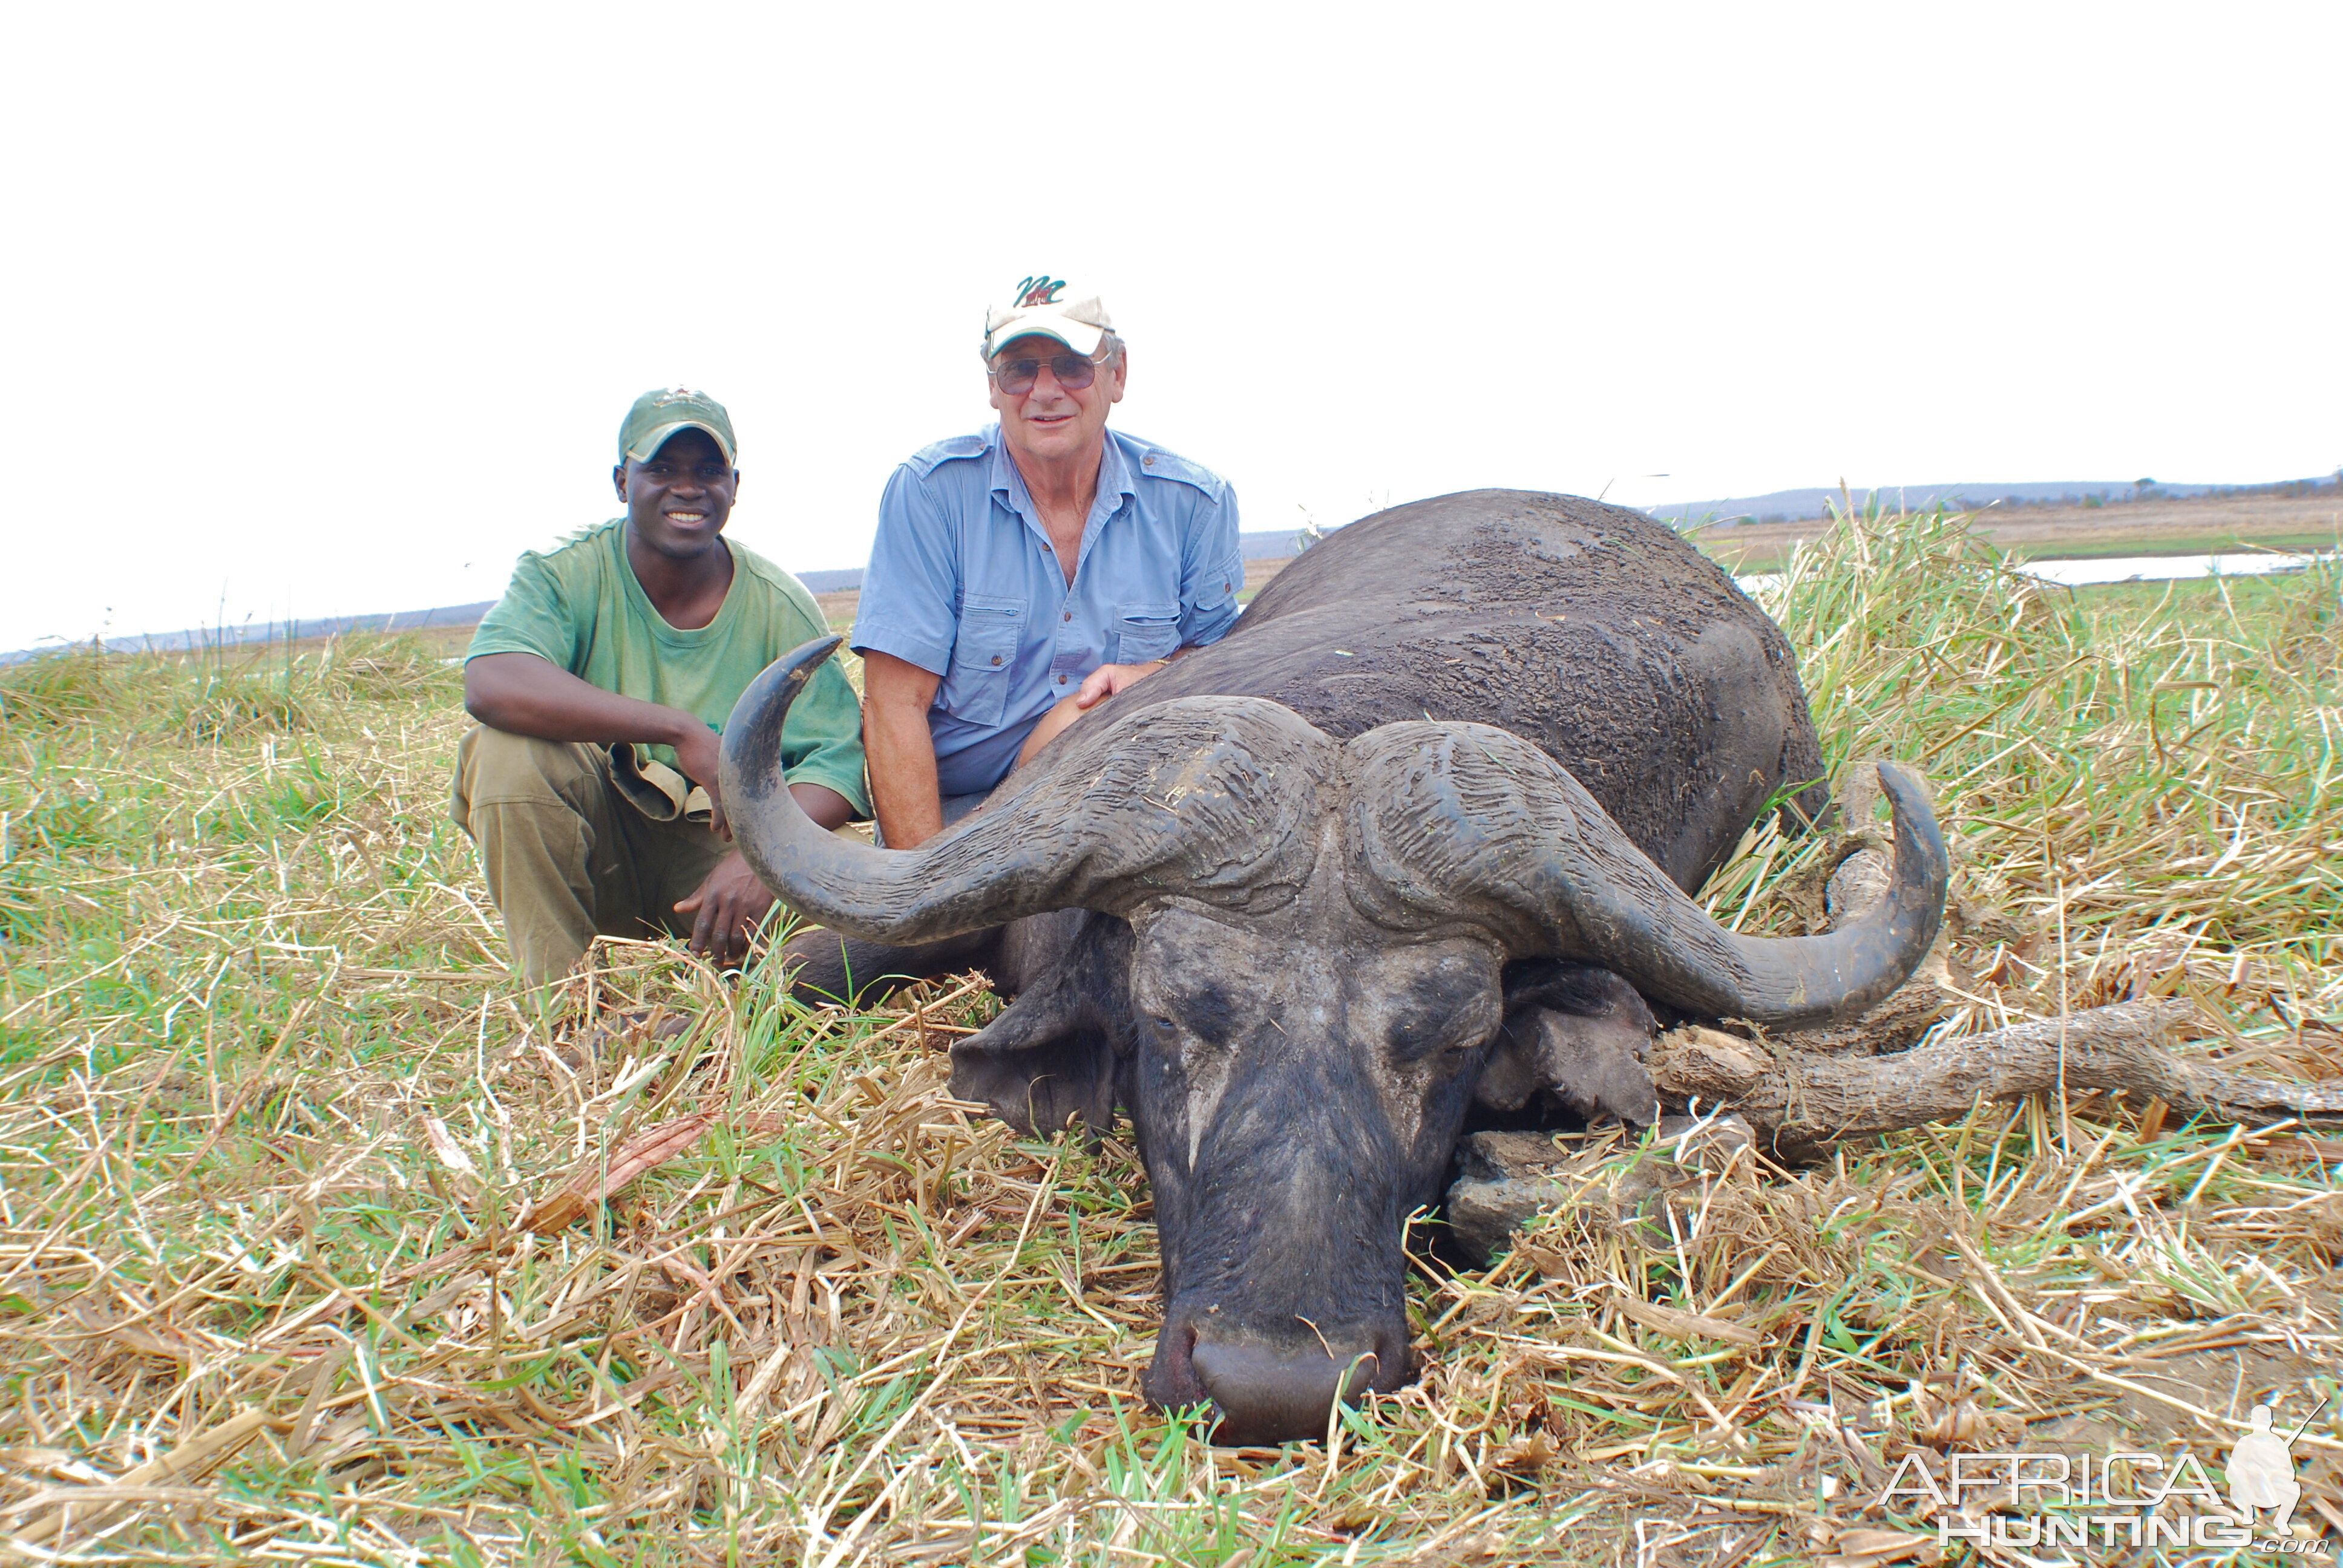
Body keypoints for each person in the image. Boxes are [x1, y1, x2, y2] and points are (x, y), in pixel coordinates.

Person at [453, 387, 868, 984]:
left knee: (864, 888)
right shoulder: (565, 571)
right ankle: (564, 1008)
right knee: (506, 755)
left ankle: (755, 994)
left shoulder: (778, 602)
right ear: (622, 481)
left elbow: (837, 764)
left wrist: (763, 862)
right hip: (599, 848)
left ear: (734, 486)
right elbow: (491, 682)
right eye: (662, 469)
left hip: (725, 852)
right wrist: (677, 729)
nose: (688, 487)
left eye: (708, 471)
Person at [851, 277, 1244, 847]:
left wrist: (1155, 675)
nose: (1045, 390)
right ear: (993, 386)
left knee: (1092, 716)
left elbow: (1227, 663)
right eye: (1019, 369)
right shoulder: (930, 493)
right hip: (947, 809)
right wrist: (925, 891)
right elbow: (894, 703)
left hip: (1119, 794)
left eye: (1071, 366)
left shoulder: (1195, 503)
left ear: (1119, 375)